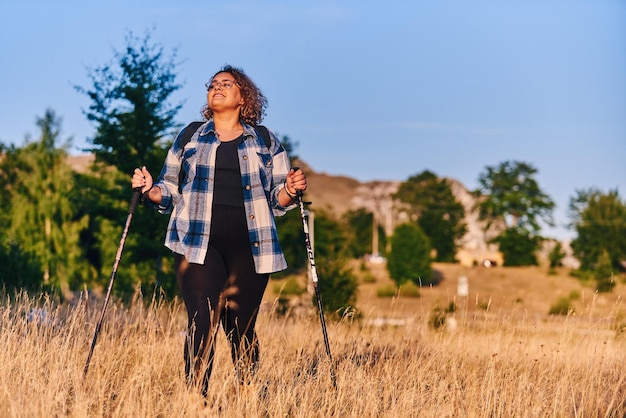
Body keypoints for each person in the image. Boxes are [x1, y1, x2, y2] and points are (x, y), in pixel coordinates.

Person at [131, 65, 306, 396]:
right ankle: (196, 401)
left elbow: (278, 199)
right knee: (202, 320)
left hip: (252, 247)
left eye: (227, 84)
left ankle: (244, 394)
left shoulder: (265, 141)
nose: (217, 88)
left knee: (240, 329)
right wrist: (150, 189)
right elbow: (168, 190)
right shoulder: (191, 136)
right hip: (197, 243)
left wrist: (293, 190)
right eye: (212, 84)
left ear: (244, 97)